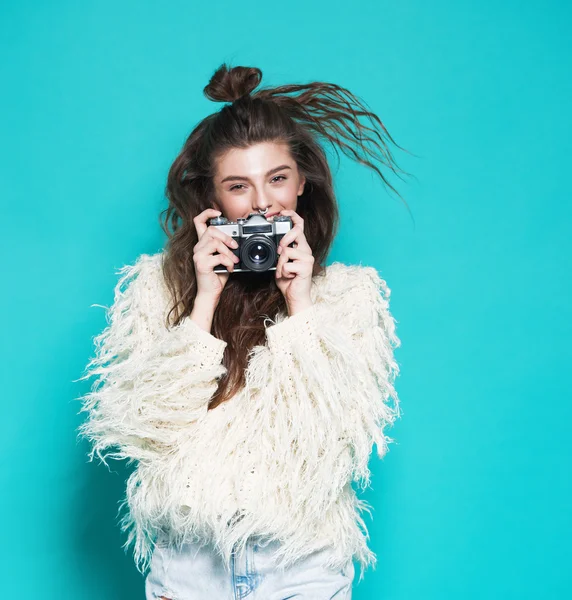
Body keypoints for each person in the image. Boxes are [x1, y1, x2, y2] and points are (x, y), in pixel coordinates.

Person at [75, 63, 412, 599]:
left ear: (302, 182)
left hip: (301, 563)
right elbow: (147, 432)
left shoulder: (350, 296)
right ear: (212, 198)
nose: (262, 203)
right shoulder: (154, 291)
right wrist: (203, 301)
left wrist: (298, 304)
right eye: (239, 186)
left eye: (277, 178)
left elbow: (332, 441)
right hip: (191, 564)